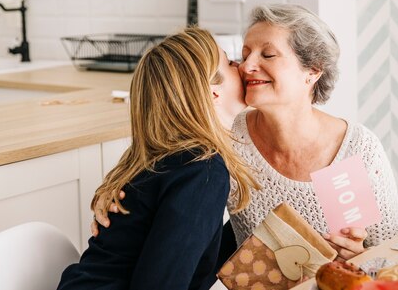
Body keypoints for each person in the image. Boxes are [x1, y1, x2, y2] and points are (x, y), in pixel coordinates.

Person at [93, 4, 398, 263]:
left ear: (312, 71)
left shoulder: (355, 150)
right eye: (244, 54)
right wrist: (114, 196)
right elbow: (157, 161)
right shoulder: (226, 136)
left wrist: (360, 256)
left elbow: (393, 256)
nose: (246, 66)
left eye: (267, 55)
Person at [57, 27, 258, 290]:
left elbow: (190, 259)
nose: (242, 67)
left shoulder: (174, 158)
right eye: (231, 63)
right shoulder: (203, 171)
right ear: (212, 93)